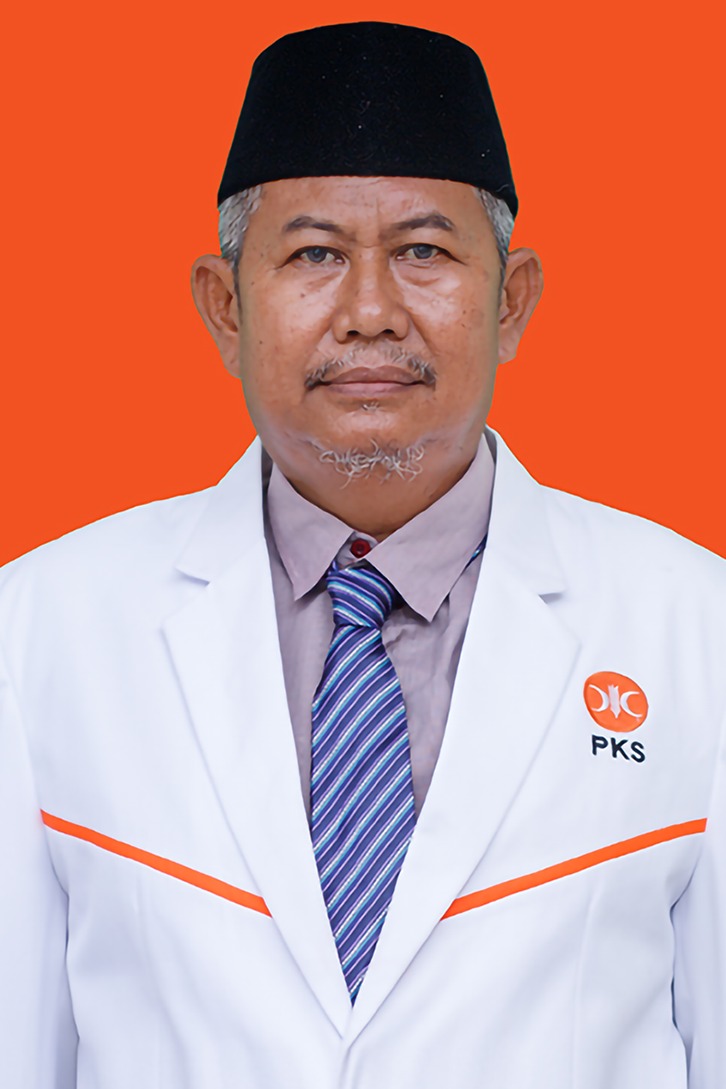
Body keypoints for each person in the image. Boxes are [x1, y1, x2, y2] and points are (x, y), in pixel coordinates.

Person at [1, 20, 724, 1089]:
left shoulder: (695, 626)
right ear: (225, 307)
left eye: (425, 252)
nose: (372, 312)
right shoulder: (40, 629)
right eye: (314, 255)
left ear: (512, 300)